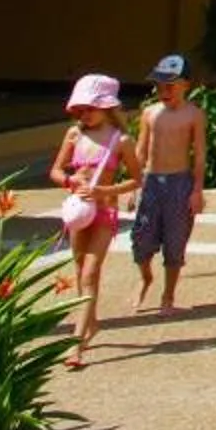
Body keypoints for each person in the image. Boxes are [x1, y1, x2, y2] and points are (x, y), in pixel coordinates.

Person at [47, 74, 140, 369]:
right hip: (78, 211)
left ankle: (76, 344)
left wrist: (104, 191)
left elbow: (137, 179)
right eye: (80, 109)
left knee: (89, 273)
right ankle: (92, 322)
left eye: (91, 108)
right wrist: (69, 181)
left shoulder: (121, 140)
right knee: (80, 271)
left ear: (107, 107)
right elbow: (55, 171)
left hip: (103, 213)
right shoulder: (74, 135)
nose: (84, 114)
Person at [130, 54, 206, 315]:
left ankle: (168, 295)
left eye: (170, 86)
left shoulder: (194, 115)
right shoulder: (150, 113)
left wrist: (197, 190)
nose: (164, 92)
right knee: (141, 240)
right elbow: (141, 151)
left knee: (175, 241)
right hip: (151, 181)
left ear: (186, 85)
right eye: (160, 86)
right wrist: (133, 186)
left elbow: (200, 155)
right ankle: (146, 277)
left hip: (179, 182)